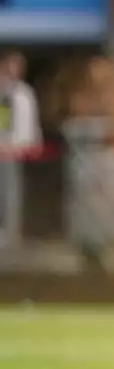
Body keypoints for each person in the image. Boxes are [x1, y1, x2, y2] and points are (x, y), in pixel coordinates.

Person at [0, 52, 41, 248]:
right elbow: (3, 122)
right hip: (4, 149)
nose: (15, 70)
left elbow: (32, 120)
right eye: (12, 65)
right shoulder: (3, 92)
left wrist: (34, 141)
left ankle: (13, 231)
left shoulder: (25, 92)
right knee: (6, 190)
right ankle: (6, 231)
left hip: (20, 149)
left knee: (14, 191)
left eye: (19, 66)